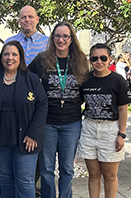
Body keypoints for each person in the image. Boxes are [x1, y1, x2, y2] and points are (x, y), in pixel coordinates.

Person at [27, 21, 88, 198]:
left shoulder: (81, 60)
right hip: (47, 122)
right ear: (53, 38)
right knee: (46, 168)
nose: (61, 40)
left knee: (67, 168)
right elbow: (26, 78)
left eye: (65, 36)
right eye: (58, 36)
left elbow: (86, 88)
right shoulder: (42, 59)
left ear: (71, 39)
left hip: (71, 122)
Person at [0, 41, 48, 198]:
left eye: (14, 54)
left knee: (24, 181)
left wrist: (33, 134)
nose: (10, 58)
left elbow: (42, 106)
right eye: (6, 54)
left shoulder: (31, 79)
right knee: (5, 180)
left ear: (20, 58)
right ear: (1, 57)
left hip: (26, 139)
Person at [79, 43, 131, 198]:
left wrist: (121, 134)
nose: (99, 62)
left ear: (110, 59)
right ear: (90, 60)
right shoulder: (86, 79)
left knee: (109, 175)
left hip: (110, 129)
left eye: (103, 58)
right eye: (95, 58)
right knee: (94, 174)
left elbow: (123, 109)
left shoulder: (117, 80)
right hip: (89, 127)